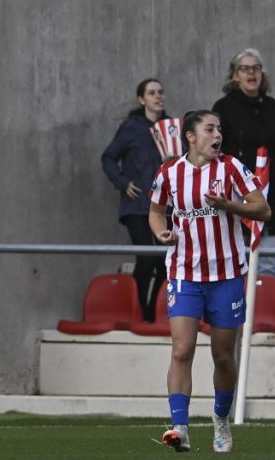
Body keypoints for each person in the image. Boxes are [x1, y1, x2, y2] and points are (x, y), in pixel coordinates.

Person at [149, 110, 270, 453]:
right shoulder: (170, 172)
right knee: (182, 349)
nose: (218, 135)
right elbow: (156, 210)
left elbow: (263, 210)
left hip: (227, 275)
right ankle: (180, 427)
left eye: (219, 129)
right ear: (190, 136)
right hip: (184, 273)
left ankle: (220, 421)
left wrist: (230, 205)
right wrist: (161, 232)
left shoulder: (231, 168)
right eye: (210, 129)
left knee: (223, 357)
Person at [212, 48, 275, 276]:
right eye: (245, 68)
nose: (251, 73)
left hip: (266, 196)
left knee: (267, 266)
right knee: (233, 264)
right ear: (235, 76)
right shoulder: (223, 107)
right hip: (236, 193)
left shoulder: (271, 105)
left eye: (256, 68)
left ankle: (265, 310)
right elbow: (215, 150)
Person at [101, 79, 170, 321]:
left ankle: (152, 308)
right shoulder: (130, 127)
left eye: (160, 92)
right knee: (146, 257)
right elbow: (108, 158)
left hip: (164, 206)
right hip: (137, 205)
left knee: (166, 262)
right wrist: (122, 182)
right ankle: (143, 312)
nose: (158, 96)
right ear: (142, 99)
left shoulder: (171, 127)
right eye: (152, 93)